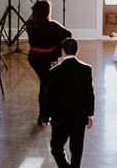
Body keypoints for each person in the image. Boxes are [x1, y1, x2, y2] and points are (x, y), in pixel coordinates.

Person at [45, 38, 93, 168]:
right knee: (77, 149)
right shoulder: (86, 69)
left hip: (59, 116)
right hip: (79, 115)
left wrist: (46, 116)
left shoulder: (54, 71)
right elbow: (89, 94)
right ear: (77, 50)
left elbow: (49, 96)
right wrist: (90, 114)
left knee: (56, 146)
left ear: (63, 51)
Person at [26, 0, 71, 125]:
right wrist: (57, 44)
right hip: (48, 59)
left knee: (45, 84)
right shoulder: (52, 25)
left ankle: (45, 114)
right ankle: (44, 115)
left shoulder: (29, 24)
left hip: (34, 58)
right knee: (46, 86)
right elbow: (68, 34)